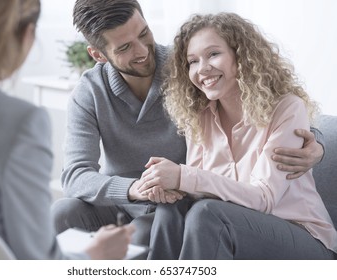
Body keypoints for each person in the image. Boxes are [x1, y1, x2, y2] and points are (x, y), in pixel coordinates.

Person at [51, 0, 325, 248]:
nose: (142, 50)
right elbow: (75, 176)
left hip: (176, 203)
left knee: (162, 225)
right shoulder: (90, 91)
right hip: (135, 198)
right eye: (124, 47)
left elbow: (268, 107)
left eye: (144, 33)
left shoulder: (186, 67)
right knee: (61, 213)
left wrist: (317, 145)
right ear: (98, 54)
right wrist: (134, 189)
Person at [138, 12, 337, 259]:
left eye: (213, 54)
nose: (203, 69)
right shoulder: (199, 118)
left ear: (241, 55)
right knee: (172, 210)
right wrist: (172, 188)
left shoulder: (287, 108)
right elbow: (199, 190)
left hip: (304, 239)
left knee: (207, 214)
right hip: (236, 231)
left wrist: (182, 175)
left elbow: (264, 198)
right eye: (192, 61)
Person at [0, 0, 134, 260]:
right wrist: (94, 255)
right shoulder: (20, 121)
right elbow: (38, 261)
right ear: (27, 35)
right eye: (124, 46)